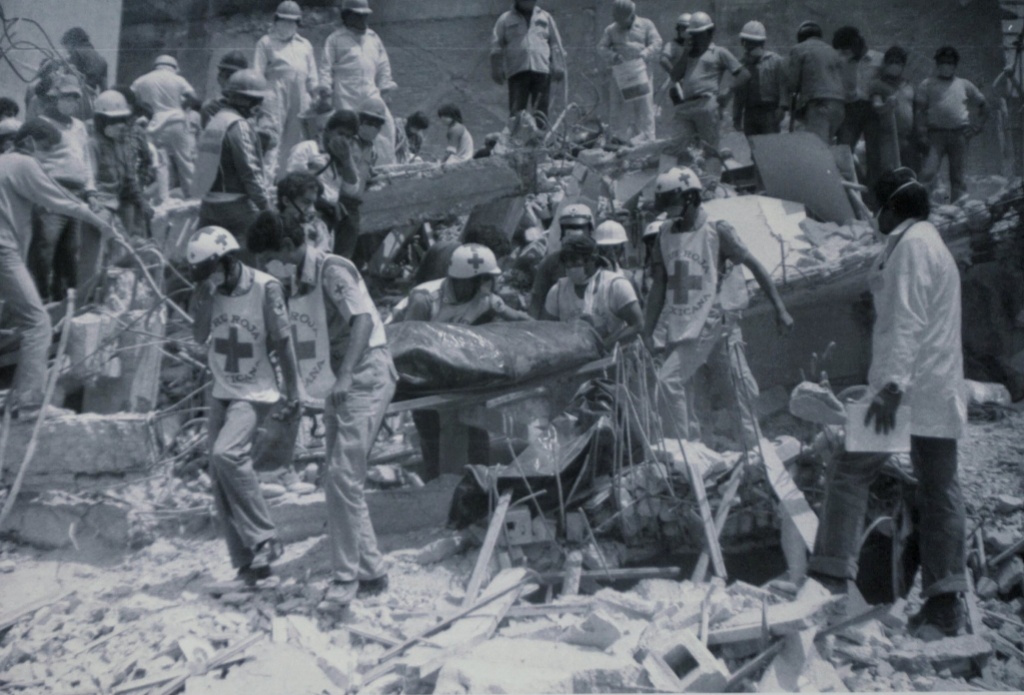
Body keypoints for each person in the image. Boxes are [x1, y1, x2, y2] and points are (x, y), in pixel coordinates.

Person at [808, 167, 968, 638]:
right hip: (936, 389)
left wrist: (892, 387)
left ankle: (831, 582)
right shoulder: (932, 243)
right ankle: (945, 605)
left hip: (903, 392)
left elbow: (907, 320)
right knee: (939, 489)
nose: (873, 217)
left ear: (893, 208)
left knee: (848, 470)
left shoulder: (910, 246)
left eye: (878, 208)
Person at [245, 206, 397, 608]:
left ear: (285, 246)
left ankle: (347, 577)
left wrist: (344, 377)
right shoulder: (297, 279)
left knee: (344, 477)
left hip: (363, 373)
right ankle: (372, 572)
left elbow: (363, 321)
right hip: (337, 379)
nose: (267, 266)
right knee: (338, 478)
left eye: (269, 258)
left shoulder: (332, 271)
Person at [643, 166, 793, 450]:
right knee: (686, 393)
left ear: (690, 198)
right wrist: (647, 331)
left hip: (715, 321)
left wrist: (780, 308)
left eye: (673, 203)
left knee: (735, 391)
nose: (668, 211)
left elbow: (755, 265)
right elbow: (659, 285)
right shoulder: (664, 234)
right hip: (683, 324)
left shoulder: (717, 230)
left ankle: (755, 452)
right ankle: (688, 455)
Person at [187, 225, 299, 584]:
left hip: (255, 390)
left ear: (229, 261)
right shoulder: (208, 291)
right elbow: (199, 335)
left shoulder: (266, 288)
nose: (210, 279)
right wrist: (206, 298)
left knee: (228, 453)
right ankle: (249, 564)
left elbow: (283, 342)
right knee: (219, 473)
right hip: (222, 388)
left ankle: (266, 538)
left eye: (213, 272)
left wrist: (293, 390)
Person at [0, 120, 116, 417]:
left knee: (19, 318)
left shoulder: (4, 164)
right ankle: (29, 404)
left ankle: (16, 394)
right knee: (37, 323)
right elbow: (61, 199)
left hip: (7, 250)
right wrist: (101, 223)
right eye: (46, 149)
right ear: (29, 142)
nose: (46, 157)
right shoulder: (23, 163)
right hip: (3, 251)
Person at [398, 243, 530, 478]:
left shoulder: (484, 297)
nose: (488, 285)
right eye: (484, 279)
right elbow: (406, 344)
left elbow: (518, 319)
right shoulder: (425, 299)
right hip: (419, 368)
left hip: (454, 367)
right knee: (432, 432)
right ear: (466, 280)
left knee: (475, 428)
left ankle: (479, 482)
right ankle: (439, 486)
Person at [29, 73, 102, 302]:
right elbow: (32, 160)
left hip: (76, 195)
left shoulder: (79, 127)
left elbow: (85, 161)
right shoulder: (42, 124)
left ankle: (62, 299)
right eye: (67, 97)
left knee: (70, 250)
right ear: (55, 98)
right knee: (45, 247)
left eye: (75, 97)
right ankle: (38, 297)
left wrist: (90, 191)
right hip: (51, 192)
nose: (72, 102)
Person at [194, 70, 271, 250]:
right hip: (235, 208)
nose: (260, 105)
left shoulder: (215, 121)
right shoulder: (238, 125)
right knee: (253, 258)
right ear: (247, 100)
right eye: (258, 100)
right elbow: (249, 171)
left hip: (208, 205)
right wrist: (266, 207)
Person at [319, 0, 398, 167]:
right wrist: (325, 92)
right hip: (346, 95)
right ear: (347, 16)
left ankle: (385, 168)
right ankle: (349, 171)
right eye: (358, 15)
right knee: (349, 134)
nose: (363, 19)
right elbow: (325, 68)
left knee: (386, 128)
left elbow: (383, 65)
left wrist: (385, 88)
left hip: (371, 93)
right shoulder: (335, 39)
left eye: (365, 15)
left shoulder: (373, 38)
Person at [255, 1, 320, 180]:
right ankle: (267, 183)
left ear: (298, 23)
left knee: (297, 139)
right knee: (272, 138)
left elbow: (312, 76)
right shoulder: (266, 42)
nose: (288, 24)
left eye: (292, 21)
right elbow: (258, 73)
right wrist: (258, 100)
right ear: (276, 20)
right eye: (284, 20)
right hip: (274, 93)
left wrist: (316, 96)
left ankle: (290, 181)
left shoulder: (305, 45)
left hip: (301, 94)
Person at [543, 234, 642, 351]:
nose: (570, 266)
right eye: (566, 262)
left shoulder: (615, 286)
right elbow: (547, 331)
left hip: (613, 354)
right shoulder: (557, 291)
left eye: (575, 261)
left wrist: (605, 345)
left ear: (592, 259)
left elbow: (638, 325)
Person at [916, 46, 987, 203]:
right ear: (937, 64)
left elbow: (983, 106)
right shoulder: (927, 84)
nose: (946, 66)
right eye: (942, 62)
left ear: (955, 65)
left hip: (959, 135)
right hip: (935, 136)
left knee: (958, 176)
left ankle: (958, 209)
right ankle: (921, 207)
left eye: (949, 62)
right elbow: (919, 111)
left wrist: (976, 127)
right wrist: (921, 134)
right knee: (928, 173)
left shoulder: (964, 84)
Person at [667, 11, 742, 155]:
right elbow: (675, 76)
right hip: (685, 105)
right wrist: (685, 53)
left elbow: (743, 74)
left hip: (706, 104)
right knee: (677, 146)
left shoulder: (719, 52)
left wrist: (728, 90)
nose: (694, 38)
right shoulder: (688, 54)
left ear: (709, 33)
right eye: (692, 34)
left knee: (710, 148)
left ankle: (711, 169)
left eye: (698, 34)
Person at [490, 0, 567, 124]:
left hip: (542, 71)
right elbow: (496, 45)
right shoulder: (505, 19)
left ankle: (541, 136)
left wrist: (558, 64)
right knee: (516, 114)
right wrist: (496, 67)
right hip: (517, 72)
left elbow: (555, 44)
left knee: (541, 114)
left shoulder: (545, 17)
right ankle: (516, 135)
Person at [130, 55, 197, 196]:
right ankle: (193, 196)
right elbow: (194, 98)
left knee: (159, 161)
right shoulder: (178, 79)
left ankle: (162, 196)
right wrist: (182, 107)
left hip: (155, 123)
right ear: (173, 67)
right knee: (185, 161)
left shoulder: (142, 80)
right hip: (177, 121)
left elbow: (131, 97)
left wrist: (145, 108)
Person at [598, 0, 662, 144]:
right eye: (618, 20)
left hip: (641, 71)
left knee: (644, 106)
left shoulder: (646, 25)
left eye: (623, 20)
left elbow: (657, 42)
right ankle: (618, 139)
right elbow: (601, 47)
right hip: (620, 72)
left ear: (632, 15)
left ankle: (647, 139)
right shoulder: (611, 29)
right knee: (618, 106)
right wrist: (614, 56)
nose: (620, 23)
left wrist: (646, 53)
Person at [91, 90, 154, 238]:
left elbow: (129, 177)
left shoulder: (121, 144)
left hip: (121, 198)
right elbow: (89, 180)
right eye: (114, 120)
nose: (120, 125)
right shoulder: (93, 144)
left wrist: (142, 202)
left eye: (122, 120)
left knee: (132, 238)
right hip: (100, 204)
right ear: (101, 121)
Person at [833, 26, 884, 187]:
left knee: (874, 154)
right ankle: (850, 187)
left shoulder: (879, 59)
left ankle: (874, 193)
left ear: (856, 44)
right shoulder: (841, 61)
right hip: (850, 109)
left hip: (873, 110)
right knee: (844, 150)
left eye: (846, 49)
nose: (844, 52)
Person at [529, 202, 595, 317]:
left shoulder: (600, 261)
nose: (573, 232)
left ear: (590, 230)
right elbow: (536, 301)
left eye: (579, 227)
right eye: (568, 227)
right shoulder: (551, 263)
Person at [788, 21, 846, 144]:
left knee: (818, 146)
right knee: (827, 144)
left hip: (819, 103)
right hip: (840, 105)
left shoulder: (799, 49)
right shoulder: (832, 51)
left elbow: (793, 82)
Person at [869, 46, 920, 176]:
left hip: (907, 138)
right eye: (891, 62)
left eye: (897, 62)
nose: (894, 65)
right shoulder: (878, 85)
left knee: (910, 173)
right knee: (890, 173)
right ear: (885, 64)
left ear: (902, 66)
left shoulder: (909, 86)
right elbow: (876, 106)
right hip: (888, 137)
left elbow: (915, 112)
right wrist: (886, 105)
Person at [732, 21, 788, 137]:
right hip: (750, 112)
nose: (748, 46)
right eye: (746, 42)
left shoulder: (775, 61)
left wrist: (782, 107)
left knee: (770, 143)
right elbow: (739, 93)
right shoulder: (742, 64)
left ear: (761, 43)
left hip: (769, 111)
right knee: (753, 144)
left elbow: (783, 85)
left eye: (753, 42)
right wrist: (736, 116)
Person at [277, 171, 333, 253]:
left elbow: (322, 257)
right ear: (286, 201)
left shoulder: (318, 228)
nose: (312, 210)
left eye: (313, 204)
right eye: (306, 202)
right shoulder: (272, 226)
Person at [201, 52, 250, 128]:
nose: (232, 81)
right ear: (219, 78)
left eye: (237, 76)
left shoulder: (252, 105)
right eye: (228, 76)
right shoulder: (212, 108)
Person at [993, 58, 1024, 177]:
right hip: (1009, 129)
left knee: (1018, 153)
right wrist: (1005, 73)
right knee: (1010, 154)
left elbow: (1019, 89)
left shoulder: (1019, 97)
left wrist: (1010, 76)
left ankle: (1019, 176)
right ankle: (1015, 176)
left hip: (1018, 129)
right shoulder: (1006, 98)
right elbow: (995, 87)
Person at [61, 28, 108, 100]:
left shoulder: (76, 53)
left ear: (72, 42)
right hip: (91, 98)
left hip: (78, 97)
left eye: (66, 46)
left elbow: (69, 78)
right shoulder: (102, 59)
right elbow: (104, 90)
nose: (67, 51)